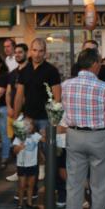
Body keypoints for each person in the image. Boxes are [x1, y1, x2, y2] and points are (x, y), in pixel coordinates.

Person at [61, 48, 105, 209]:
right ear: (94, 64)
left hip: (74, 135)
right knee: (99, 187)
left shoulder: (66, 85)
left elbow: (64, 108)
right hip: (98, 136)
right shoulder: (104, 87)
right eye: (99, 63)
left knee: (74, 186)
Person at [13, 38, 61, 181]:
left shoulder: (51, 70)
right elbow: (19, 95)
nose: (37, 54)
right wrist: (16, 117)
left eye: (41, 51)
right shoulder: (24, 70)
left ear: (45, 52)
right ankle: (31, 188)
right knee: (27, 152)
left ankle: (53, 185)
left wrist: (54, 122)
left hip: (46, 118)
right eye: (35, 50)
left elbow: (57, 97)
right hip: (28, 117)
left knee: (49, 152)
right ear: (30, 51)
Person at [5, 43, 29, 183]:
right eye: (16, 53)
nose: (18, 55)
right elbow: (8, 92)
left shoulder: (30, 70)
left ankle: (37, 169)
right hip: (15, 114)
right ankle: (19, 171)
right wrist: (9, 106)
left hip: (27, 113)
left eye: (20, 52)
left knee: (29, 145)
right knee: (17, 144)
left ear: (26, 53)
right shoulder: (13, 73)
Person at [12, 118, 42, 209]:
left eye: (29, 124)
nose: (27, 126)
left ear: (33, 126)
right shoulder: (18, 137)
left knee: (31, 185)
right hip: (22, 164)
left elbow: (45, 139)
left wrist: (45, 133)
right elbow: (14, 151)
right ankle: (20, 203)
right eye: (25, 124)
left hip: (32, 164)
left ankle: (29, 203)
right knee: (21, 185)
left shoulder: (36, 136)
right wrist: (19, 147)